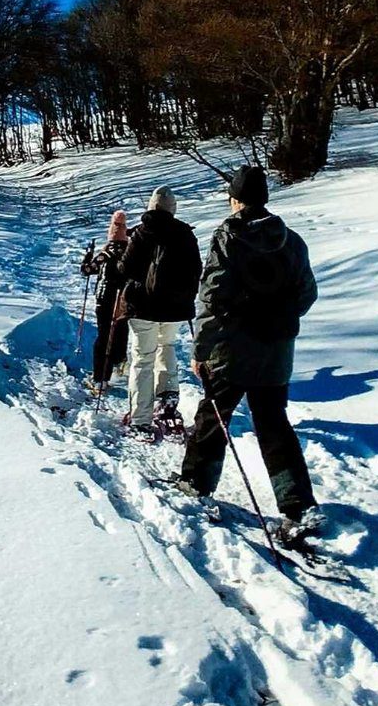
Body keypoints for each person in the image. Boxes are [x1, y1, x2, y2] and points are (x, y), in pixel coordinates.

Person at [177, 166, 322, 540]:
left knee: (213, 416)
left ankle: (195, 483)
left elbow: (211, 296)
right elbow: (306, 293)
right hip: (276, 350)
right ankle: (299, 506)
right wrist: (279, 317)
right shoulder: (291, 240)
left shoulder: (228, 237)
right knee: (274, 424)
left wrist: (201, 349)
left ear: (235, 199)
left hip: (232, 348)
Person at [115, 186, 201, 438]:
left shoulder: (143, 233)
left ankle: (140, 418)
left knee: (143, 358)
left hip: (143, 306)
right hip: (175, 308)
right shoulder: (185, 233)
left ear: (151, 207)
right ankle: (168, 401)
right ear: (173, 209)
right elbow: (196, 269)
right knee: (168, 347)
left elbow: (125, 269)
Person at [80, 210, 131, 389]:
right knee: (120, 331)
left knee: (104, 337)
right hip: (123, 300)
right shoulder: (130, 251)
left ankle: (100, 377)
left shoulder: (106, 252)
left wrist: (87, 256)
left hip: (105, 299)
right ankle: (119, 361)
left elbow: (87, 270)